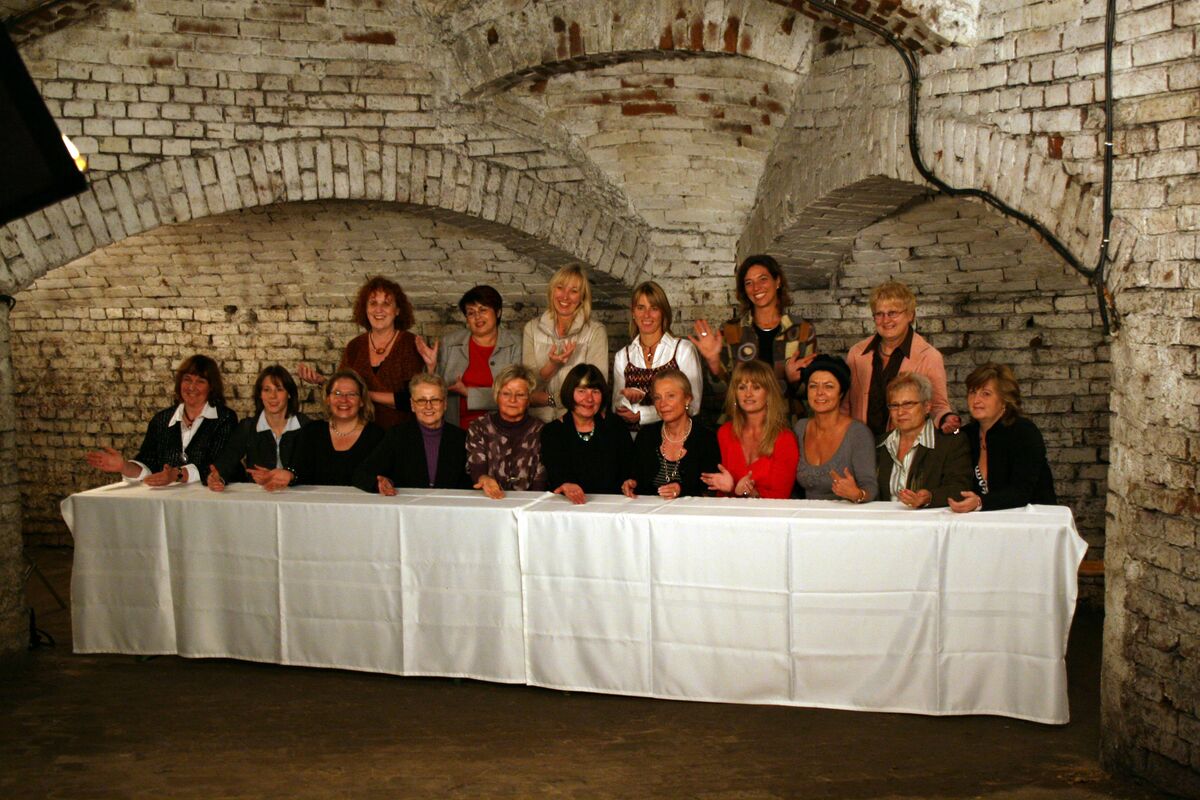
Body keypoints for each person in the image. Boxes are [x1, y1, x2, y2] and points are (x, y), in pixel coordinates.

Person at [690, 254, 817, 421]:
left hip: (786, 422)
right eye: (749, 283)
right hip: (741, 424)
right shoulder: (731, 330)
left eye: (763, 279)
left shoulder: (803, 330)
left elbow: (812, 392)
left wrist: (792, 380)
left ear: (777, 281)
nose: (756, 287)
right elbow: (721, 393)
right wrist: (713, 362)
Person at [297, 276, 432, 429]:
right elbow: (344, 390)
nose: (378, 309)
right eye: (373, 303)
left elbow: (412, 399)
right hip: (359, 432)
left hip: (401, 433)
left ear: (397, 310)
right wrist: (322, 381)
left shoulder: (410, 344)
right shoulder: (355, 346)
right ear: (365, 309)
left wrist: (364, 394)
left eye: (386, 304)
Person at [85, 354, 237, 486]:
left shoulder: (225, 418)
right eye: (187, 379)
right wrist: (123, 466)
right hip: (168, 499)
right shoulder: (161, 420)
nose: (192, 387)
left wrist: (176, 474)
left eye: (200, 381)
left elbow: (217, 466)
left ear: (211, 387)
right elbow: (148, 462)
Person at [845, 280, 960, 437]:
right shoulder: (856, 354)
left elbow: (938, 406)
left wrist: (947, 419)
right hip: (860, 444)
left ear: (910, 315)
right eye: (879, 314)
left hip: (906, 445)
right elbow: (845, 406)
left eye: (893, 313)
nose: (886, 320)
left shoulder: (929, 357)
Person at [949, 363, 1057, 513]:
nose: (976, 400)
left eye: (986, 394)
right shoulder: (967, 434)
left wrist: (980, 502)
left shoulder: (1024, 432)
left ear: (1005, 399)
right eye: (972, 392)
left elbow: (1021, 491)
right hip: (982, 521)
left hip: (1031, 519)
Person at [254, 370, 385, 489]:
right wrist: (289, 475)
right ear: (328, 399)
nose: (343, 400)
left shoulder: (377, 436)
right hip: (315, 506)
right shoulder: (311, 431)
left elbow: (380, 479)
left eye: (351, 394)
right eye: (337, 393)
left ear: (362, 401)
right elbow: (299, 470)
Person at [353, 373, 469, 494]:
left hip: (449, 504)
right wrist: (379, 484)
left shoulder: (462, 438)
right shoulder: (397, 435)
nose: (428, 406)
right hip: (406, 503)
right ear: (412, 405)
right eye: (421, 400)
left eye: (435, 400)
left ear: (445, 404)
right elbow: (361, 474)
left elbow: (471, 482)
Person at [700, 359, 799, 499]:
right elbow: (722, 494)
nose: (748, 394)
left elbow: (781, 498)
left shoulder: (784, 438)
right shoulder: (725, 432)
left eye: (756, 387)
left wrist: (750, 493)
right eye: (742, 387)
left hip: (769, 513)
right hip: (730, 511)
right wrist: (730, 489)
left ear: (768, 393)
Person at [522, 264, 609, 423]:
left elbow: (595, 391)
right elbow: (527, 390)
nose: (565, 296)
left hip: (577, 422)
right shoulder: (532, 329)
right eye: (560, 288)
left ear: (582, 297)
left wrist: (550, 399)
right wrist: (553, 365)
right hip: (536, 422)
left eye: (573, 291)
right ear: (552, 291)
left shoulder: (595, 331)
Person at [612, 281, 703, 431]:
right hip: (633, 439)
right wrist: (625, 404)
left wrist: (642, 414)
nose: (646, 315)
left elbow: (693, 405)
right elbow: (617, 405)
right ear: (633, 313)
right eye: (641, 308)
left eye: (654, 308)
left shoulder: (682, 350)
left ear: (663, 312)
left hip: (674, 437)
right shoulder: (623, 356)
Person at [540, 364, 634, 503]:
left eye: (595, 391)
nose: (589, 399)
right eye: (581, 391)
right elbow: (556, 474)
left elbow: (629, 467)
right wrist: (566, 484)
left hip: (612, 506)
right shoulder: (553, 432)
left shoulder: (615, 426)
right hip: (569, 506)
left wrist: (629, 481)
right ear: (569, 393)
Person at [876, 372, 971, 509]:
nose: (900, 412)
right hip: (884, 520)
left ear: (927, 406)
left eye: (908, 404)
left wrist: (930, 497)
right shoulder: (879, 444)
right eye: (894, 405)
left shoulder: (951, 443)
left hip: (931, 520)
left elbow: (960, 488)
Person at [208, 365, 310, 491]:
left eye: (279, 389)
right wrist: (218, 478)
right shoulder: (248, 427)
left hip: (299, 496)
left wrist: (290, 476)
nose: (272, 396)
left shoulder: (305, 425)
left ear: (289, 394)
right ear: (260, 395)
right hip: (259, 495)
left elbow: (312, 468)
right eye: (267, 390)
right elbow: (227, 460)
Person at [792, 354, 878, 502]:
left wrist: (858, 494)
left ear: (841, 393)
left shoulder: (858, 433)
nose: (820, 392)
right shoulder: (800, 428)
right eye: (813, 386)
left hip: (846, 513)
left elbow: (871, 486)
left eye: (829, 386)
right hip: (806, 513)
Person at [622, 369, 719, 500]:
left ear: (687, 399)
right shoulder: (646, 436)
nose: (663, 404)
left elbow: (710, 491)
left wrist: (681, 490)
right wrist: (632, 484)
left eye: (670, 396)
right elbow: (637, 478)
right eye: (657, 397)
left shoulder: (706, 439)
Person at [435, 284, 521, 430]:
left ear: (498, 312)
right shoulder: (449, 342)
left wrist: (468, 393)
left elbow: (516, 396)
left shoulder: (516, 343)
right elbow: (434, 390)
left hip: (501, 429)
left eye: (483, 310)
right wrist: (431, 366)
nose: (477, 317)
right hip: (455, 427)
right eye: (471, 313)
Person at [466, 364, 546, 499]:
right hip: (488, 499)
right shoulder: (479, 427)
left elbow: (541, 480)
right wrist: (484, 479)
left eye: (520, 395)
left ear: (529, 399)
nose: (512, 400)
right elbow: (477, 469)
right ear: (497, 396)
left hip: (530, 502)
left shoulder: (542, 430)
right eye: (506, 393)